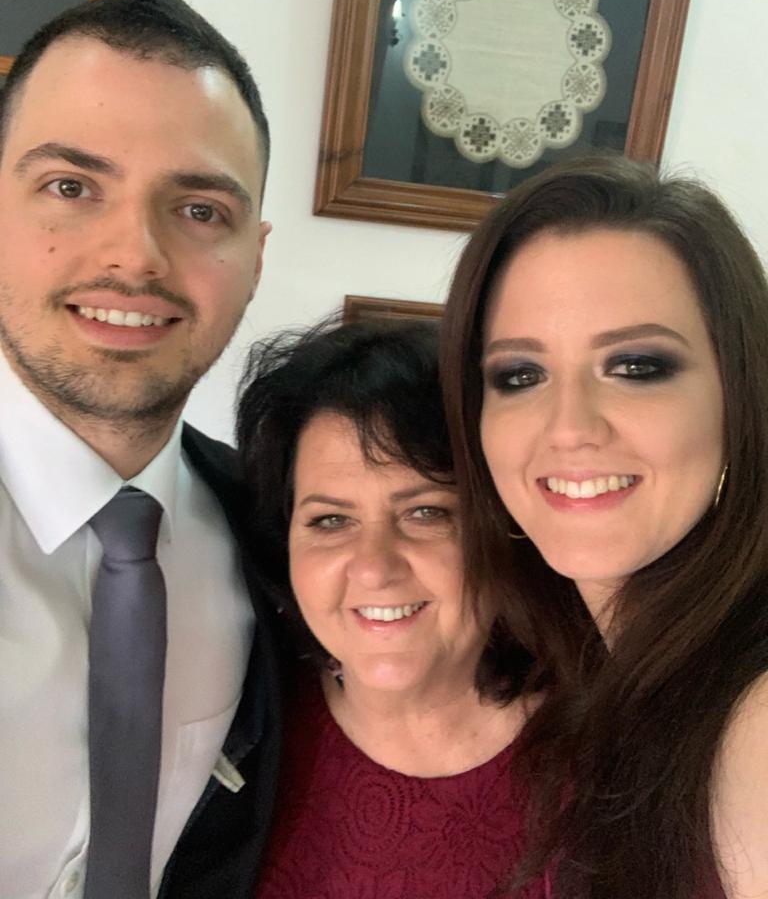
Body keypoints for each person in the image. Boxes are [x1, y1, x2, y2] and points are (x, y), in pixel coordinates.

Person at [0, 0, 281, 898]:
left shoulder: (282, 538)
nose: (135, 257)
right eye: (71, 188)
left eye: (199, 210)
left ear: (256, 258)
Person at [439, 152, 768, 899]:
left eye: (636, 366)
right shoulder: (585, 671)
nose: (569, 428)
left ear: (739, 395)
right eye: (520, 375)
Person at [236, 318, 548, 899]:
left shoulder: (622, 755)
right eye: (331, 520)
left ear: (503, 526)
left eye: (426, 512)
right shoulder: (239, 733)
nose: (374, 567)